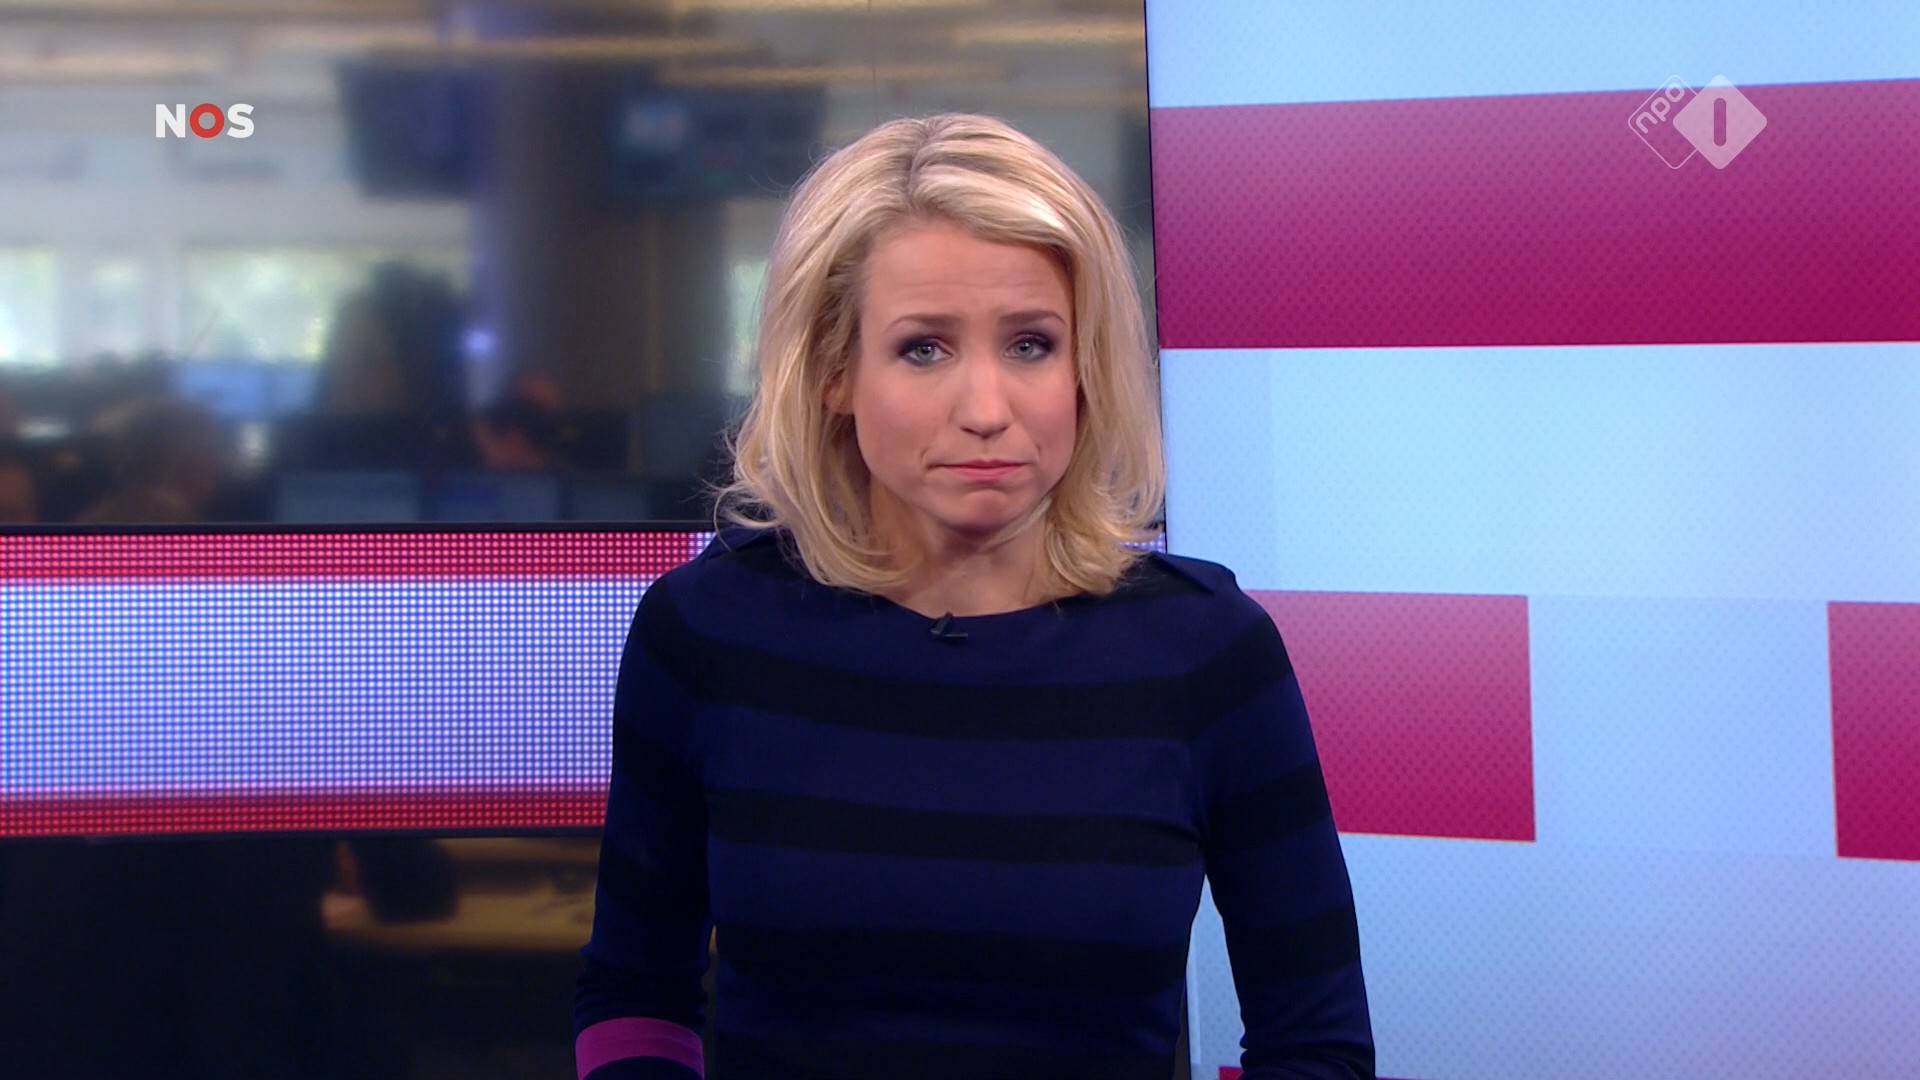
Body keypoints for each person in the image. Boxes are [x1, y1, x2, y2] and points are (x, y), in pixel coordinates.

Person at [574, 113, 1373, 1080]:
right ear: (833, 371)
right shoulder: (706, 633)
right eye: (924, 349)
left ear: (1086, 368)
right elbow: (636, 997)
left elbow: (1315, 1043)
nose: (988, 409)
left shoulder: (1209, 654)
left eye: (1032, 345)